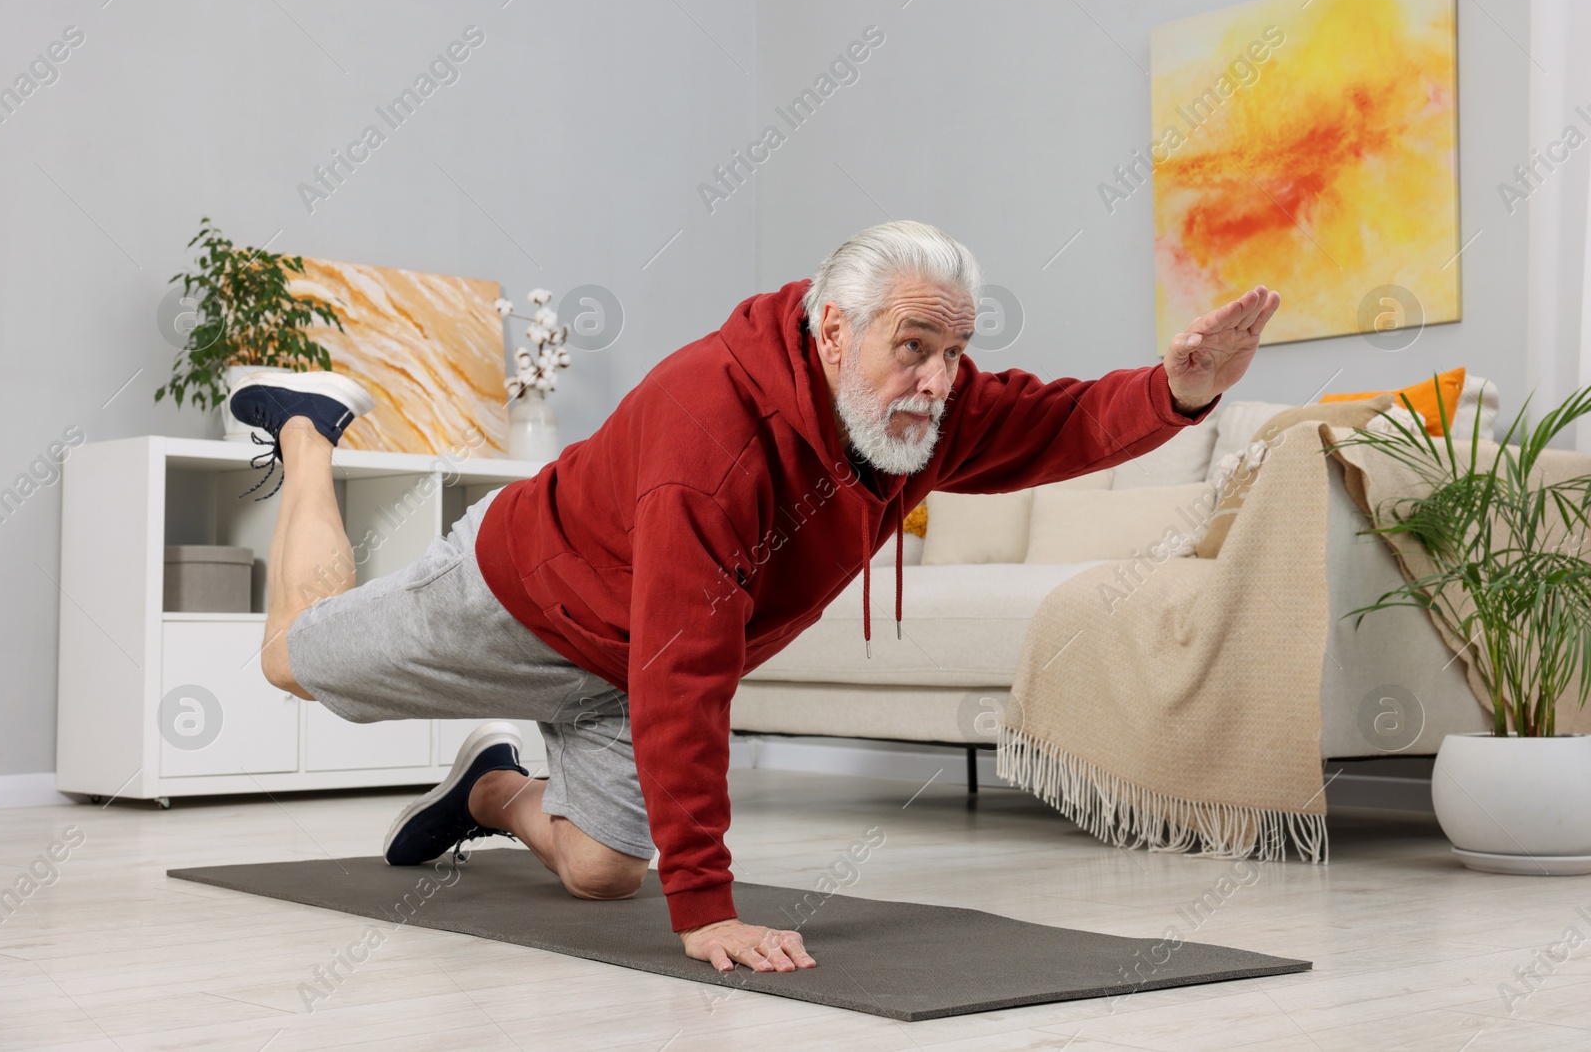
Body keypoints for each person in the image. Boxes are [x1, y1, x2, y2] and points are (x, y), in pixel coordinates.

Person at [233, 220, 1279, 975]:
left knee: (600, 874)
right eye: (912, 346)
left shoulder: (924, 405)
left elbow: (1055, 422)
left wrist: (1182, 386)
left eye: (953, 352)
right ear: (833, 331)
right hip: (518, 598)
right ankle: (308, 429)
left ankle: (491, 788)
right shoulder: (712, 432)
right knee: (288, 661)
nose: (936, 378)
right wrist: (707, 907)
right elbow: (684, 664)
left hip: (625, 657)